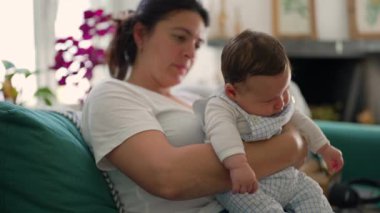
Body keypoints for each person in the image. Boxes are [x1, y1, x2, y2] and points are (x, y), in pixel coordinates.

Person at [80, 0, 308, 212]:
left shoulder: (194, 98)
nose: (190, 52)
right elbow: (168, 177)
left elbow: (286, 123)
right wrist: (290, 147)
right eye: (180, 37)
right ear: (141, 34)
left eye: (197, 44)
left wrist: (293, 145)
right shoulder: (113, 94)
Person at [194, 30, 344, 212]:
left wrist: (324, 148)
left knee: (314, 194)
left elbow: (302, 122)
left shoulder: (279, 103)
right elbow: (222, 133)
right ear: (232, 92)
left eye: (285, 90)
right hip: (245, 185)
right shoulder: (221, 107)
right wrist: (238, 166)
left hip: (285, 176)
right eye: (269, 100)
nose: (281, 102)